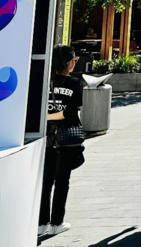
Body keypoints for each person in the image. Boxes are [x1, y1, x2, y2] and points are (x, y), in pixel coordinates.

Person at [39, 45, 83, 237]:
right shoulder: (74, 83)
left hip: (46, 136)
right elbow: (71, 112)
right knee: (62, 180)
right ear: (69, 63)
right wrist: (57, 117)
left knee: (46, 180)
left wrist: (47, 119)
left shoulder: (45, 82)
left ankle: (41, 223)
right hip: (67, 137)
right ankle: (57, 222)